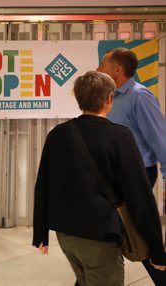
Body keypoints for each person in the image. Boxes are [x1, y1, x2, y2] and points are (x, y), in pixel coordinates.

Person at [32, 71, 166, 286]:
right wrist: (157, 250)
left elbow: (43, 186)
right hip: (99, 235)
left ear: (78, 98)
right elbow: (139, 196)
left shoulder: (58, 134)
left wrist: (40, 232)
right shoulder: (119, 136)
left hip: (66, 235)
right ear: (109, 99)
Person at [97, 47, 166, 284]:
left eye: (103, 64)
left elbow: (161, 141)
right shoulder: (110, 97)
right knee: (113, 233)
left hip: (138, 175)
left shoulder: (140, 96)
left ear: (118, 69)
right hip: (115, 176)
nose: (98, 68)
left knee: (139, 234)